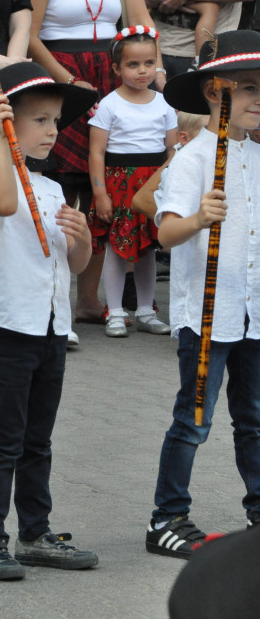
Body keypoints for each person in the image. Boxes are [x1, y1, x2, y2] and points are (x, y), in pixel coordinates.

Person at [0, 62, 99, 580]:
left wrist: (82, 238)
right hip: (10, 325)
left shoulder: (53, 190)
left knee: (38, 437)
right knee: (5, 436)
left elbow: (73, 264)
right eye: (40, 120)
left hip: (52, 326)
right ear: (7, 124)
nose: (52, 130)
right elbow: (2, 200)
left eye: (56, 120)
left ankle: (36, 531)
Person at [144, 29, 260, 559]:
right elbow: (165, 233)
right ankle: (167, 517)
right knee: (194, 419)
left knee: (254, 419)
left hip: (254, 313)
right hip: (209, 313)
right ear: (216, 93)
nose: (259, 99)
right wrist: (198, 218)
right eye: (249, 88)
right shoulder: (193, 158)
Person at [27, 0, 154, 335]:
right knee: (60, 189)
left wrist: (158, 71)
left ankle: (87, 301)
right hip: (62, 76)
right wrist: (68, 83)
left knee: (102, 193)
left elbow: (141, 19)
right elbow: (30, 36)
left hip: (111, 73)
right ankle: (51, 304)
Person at [87, 27, 176, 338]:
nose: (142, 71)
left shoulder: (164, 104)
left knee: (149, 248)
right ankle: (114, 310)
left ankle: (145, 309)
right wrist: (100, 192)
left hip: (154, 182)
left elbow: (172, 149)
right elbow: (96, 152)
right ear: (117, 68)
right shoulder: (109, 105)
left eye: (149, 63)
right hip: (119, 183)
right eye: (133, 65)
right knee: (117, 247)